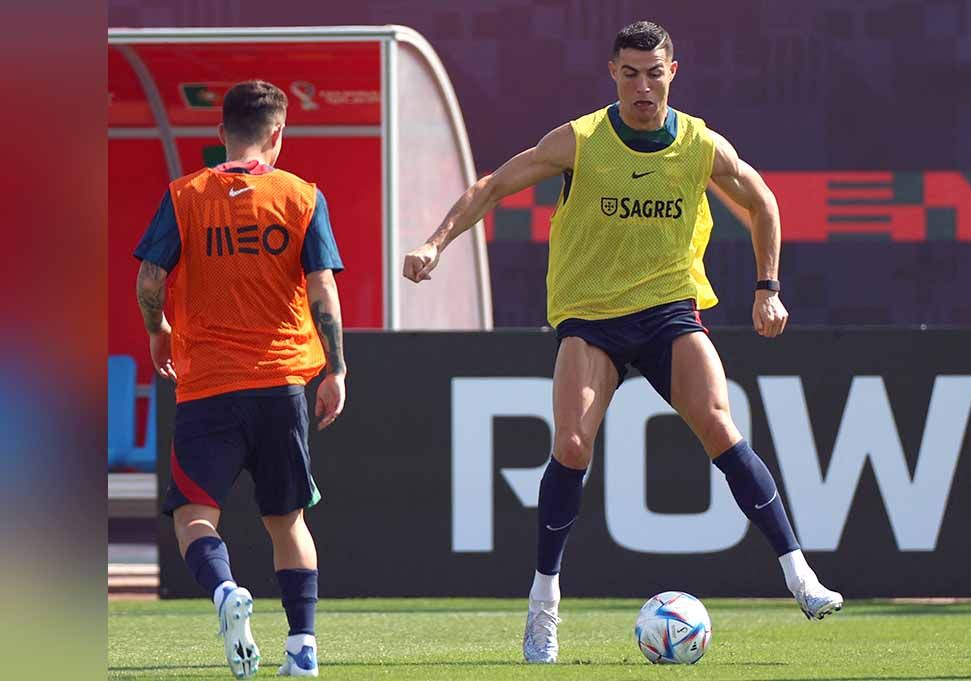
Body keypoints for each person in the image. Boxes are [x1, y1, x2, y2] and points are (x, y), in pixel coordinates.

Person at [403, 20, 843, 663]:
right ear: (613, 73)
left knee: (721, 424)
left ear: (673, 72)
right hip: (592, 317)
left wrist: (767, 286)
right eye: (630, 73)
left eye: (654, 72)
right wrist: (435, 242)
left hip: (668, 311)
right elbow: (494, 185)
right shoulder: (581, 140)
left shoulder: (698, 143)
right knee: (571, 444)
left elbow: (764, 202)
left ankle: (799, 575)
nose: (643, 86)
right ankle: (543, 607)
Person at [133, 80, 346, 679]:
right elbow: (323, 287)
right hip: (281, 384)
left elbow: (150, 279)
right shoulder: (302, 197)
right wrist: (337, 367)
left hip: (208, 388)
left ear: (221, 133)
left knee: (194, 515)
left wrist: (159, 329)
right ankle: (302, 648)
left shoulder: (186, 195)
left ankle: (225, 589)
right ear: (278, 133)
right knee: (288, 521)